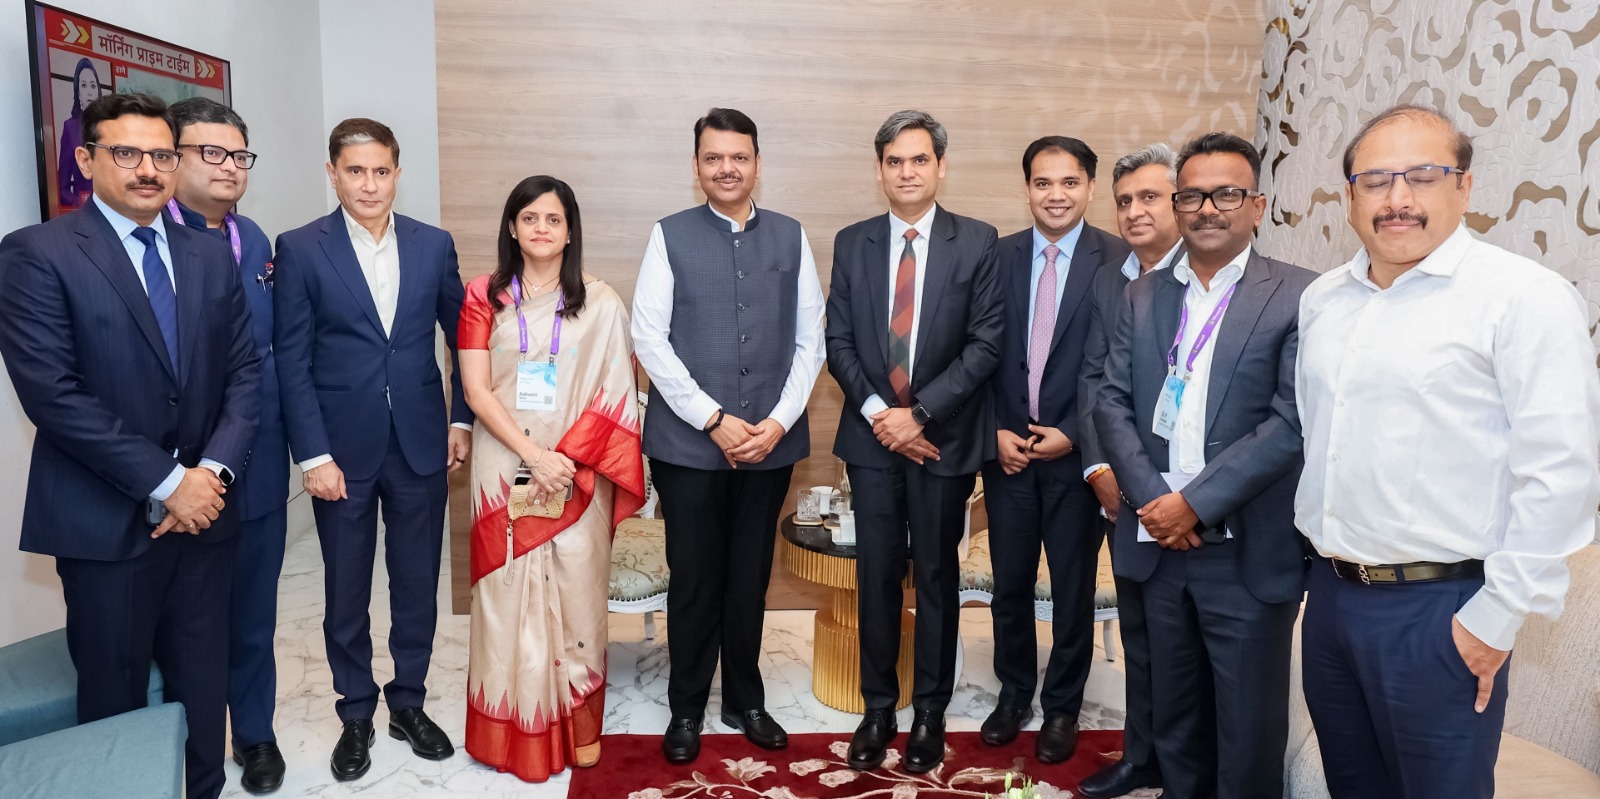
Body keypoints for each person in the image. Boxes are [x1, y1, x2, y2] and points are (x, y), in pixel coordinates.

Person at [1296, 104, 1600, 799]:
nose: (1397, 198)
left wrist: (1495, 617)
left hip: (1440, 609)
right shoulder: (1324, 300)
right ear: (1350, 196)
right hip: (1333, 599)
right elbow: (1321, 444)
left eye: (1422, 176)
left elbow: (1561, 473)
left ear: (1464, 187)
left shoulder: (1522, 298)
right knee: (1352, 786)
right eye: (1376, 180)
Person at [0, 92, 260, 799]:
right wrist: (171, 483)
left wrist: (210, 475)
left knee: (202, 686)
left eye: (162, 155)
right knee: (113, 700)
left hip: (206, 522)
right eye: (127, 152)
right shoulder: (38, 253)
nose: (148, 169)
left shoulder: (209, 253)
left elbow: (244, 373)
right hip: (104, 526)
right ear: (87, 161)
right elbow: (53, 395)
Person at [1093, 132, 1314, 799]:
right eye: (1192, 195)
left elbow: (1290, 422)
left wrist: (1195, 504)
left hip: (1245, 549)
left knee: (1247, 726)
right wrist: (1155, 503)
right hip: (1160, 545)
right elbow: (1110, 402)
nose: (1207, 208)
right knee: (1175, 716)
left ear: (1257, 205)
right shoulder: (1143, 295)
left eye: (1226, 194)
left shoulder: (1299, 295)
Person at [273, 117, 473, 781]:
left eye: (380, 171)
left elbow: (464, 341)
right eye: (354, 171)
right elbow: (291, 360)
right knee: (345, 589)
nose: (368, 184)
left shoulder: (432, 244)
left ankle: (407, 702)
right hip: (340, 452)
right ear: (332, 173)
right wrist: (313, 455)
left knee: (416, 584)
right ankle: (355, 710)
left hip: (420, 443)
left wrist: (461, 420)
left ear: (397, 173)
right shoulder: (302, 248)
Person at [631, 107, 826, 764]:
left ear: (757, 163)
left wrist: (777, 422)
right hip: (689, 446)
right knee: (694, 577)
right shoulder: (669, 235)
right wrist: (711, 418)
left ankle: (745, 699)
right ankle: (686, 706)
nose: (726, 168)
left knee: (749, 577)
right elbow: (648, 338)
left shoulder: (791, 235)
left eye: (738, 156)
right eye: (713, 157)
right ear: (697, 166)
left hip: (770, 443)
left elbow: (811, 340)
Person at [826, 109, 1002, 774]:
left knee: (934, 575)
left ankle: (929, 711)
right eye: (895, 161)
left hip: (941, 440)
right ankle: (878, 708)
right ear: (879, 170)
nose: (907, 172)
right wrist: (884, 416)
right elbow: (838, 341)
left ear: (941, 166)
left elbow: (986, 343)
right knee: (876, 575)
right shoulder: (853, 242)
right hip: (872, 439)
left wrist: (919, 415)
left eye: (919, 159)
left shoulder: (977, 241)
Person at [460, 175, 645, 781]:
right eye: (530, 218)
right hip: (503, 466)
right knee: (504, 596)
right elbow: (476, 391)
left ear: (570, 231)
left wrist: (563, 459)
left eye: (554, 219)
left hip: (579, 471)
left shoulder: (602, 302)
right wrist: (533, 456)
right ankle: (508, 733)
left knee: (577, 593)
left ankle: (573, 730)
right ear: (512, 228)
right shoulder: (482, 296)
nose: (541, 228)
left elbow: (616, 395)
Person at [980, 136, 1129, 764]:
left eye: (1070, 182)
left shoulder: (1119, 259)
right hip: (1009, 454)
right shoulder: (998, 255)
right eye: (1043, 182)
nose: (1056, 195)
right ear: (1027, 189)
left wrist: (1074, 432)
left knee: (1073, 590)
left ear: (1090, 188)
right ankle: (1014, 693)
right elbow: (977, 350)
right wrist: (994, 430)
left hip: (1077, 459)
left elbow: (1122, 362)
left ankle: (1063, 705)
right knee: (1009, 585)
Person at [166, 97, 287, 795]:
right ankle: (186, 742)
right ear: (172, 157)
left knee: (253, 611)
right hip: (182, 473)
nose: (229, 167)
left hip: (258, 460)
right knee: (189, 619)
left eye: (238, 155)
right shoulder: (155, 241)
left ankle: (255, 732)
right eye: (210, 152)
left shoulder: (254, 238)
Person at [1074, 142, 1183, 799]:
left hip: (1189, 499)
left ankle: (1188, 769)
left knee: (1186, 646)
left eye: (1150, 196)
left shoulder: (1204, 275)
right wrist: (1098, 468)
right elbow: (1093, 380)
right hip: (1123, 494)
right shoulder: (1110, 278)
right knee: (1140, 633)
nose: (1135, 211)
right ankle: (1141, 757)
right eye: (1125, 200)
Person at [57, 57, 101, 209]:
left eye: (93, 86)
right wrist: (80, 204)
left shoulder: (114, 126)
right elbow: (62, 189)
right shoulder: (71, 127)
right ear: (78, 92)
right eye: (83, 85)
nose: (89, 92)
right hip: (86, 211)